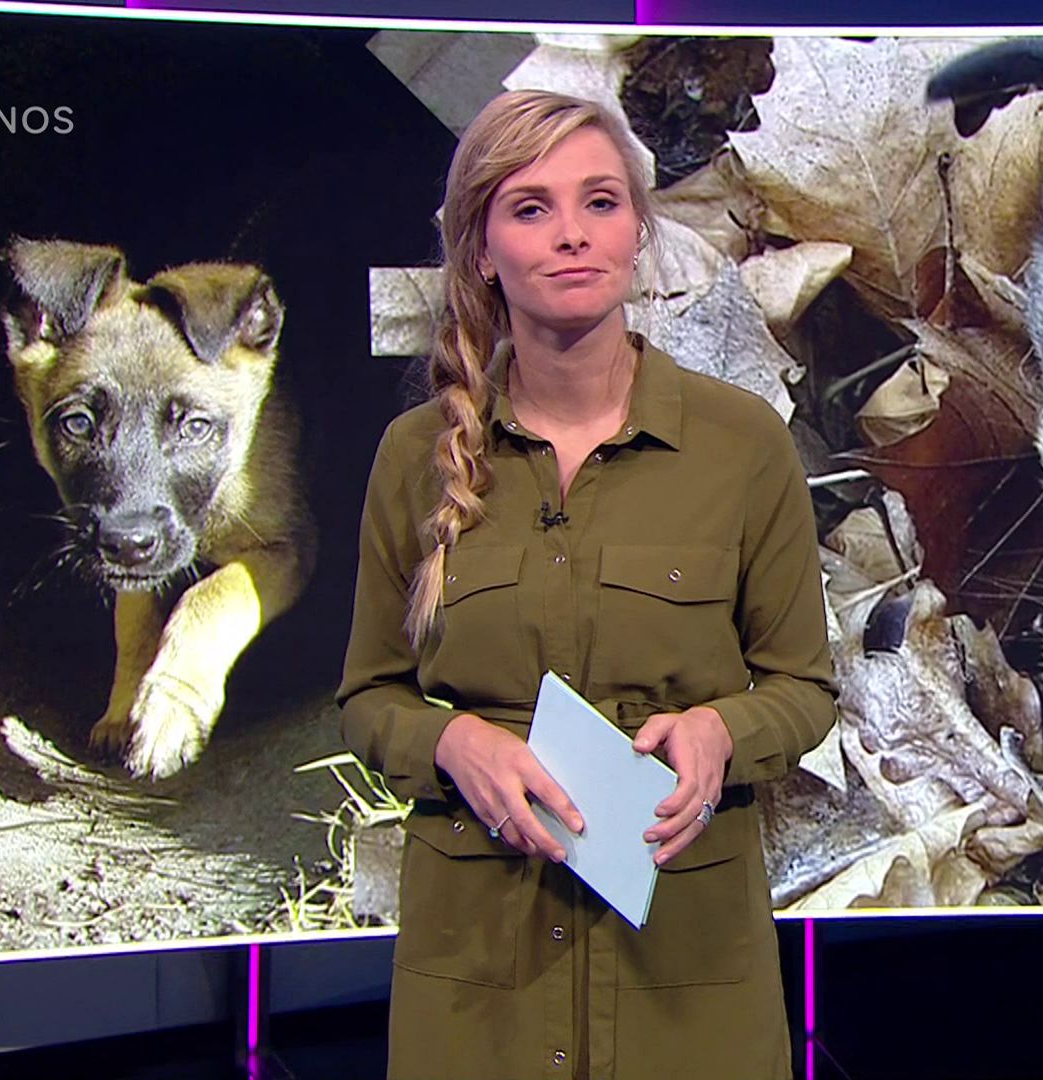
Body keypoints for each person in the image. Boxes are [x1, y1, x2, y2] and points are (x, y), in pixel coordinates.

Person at [336, 88, 837, 1080]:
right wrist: (452, 743)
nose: (572, 233)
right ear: (482, 250)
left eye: (600, 202)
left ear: (637, 232)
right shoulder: (412, 458)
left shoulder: (741, 445)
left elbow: (804, 689)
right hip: (479, 986)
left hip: (684, 978)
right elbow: (369, 699)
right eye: (531, 208)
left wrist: (720, 732)